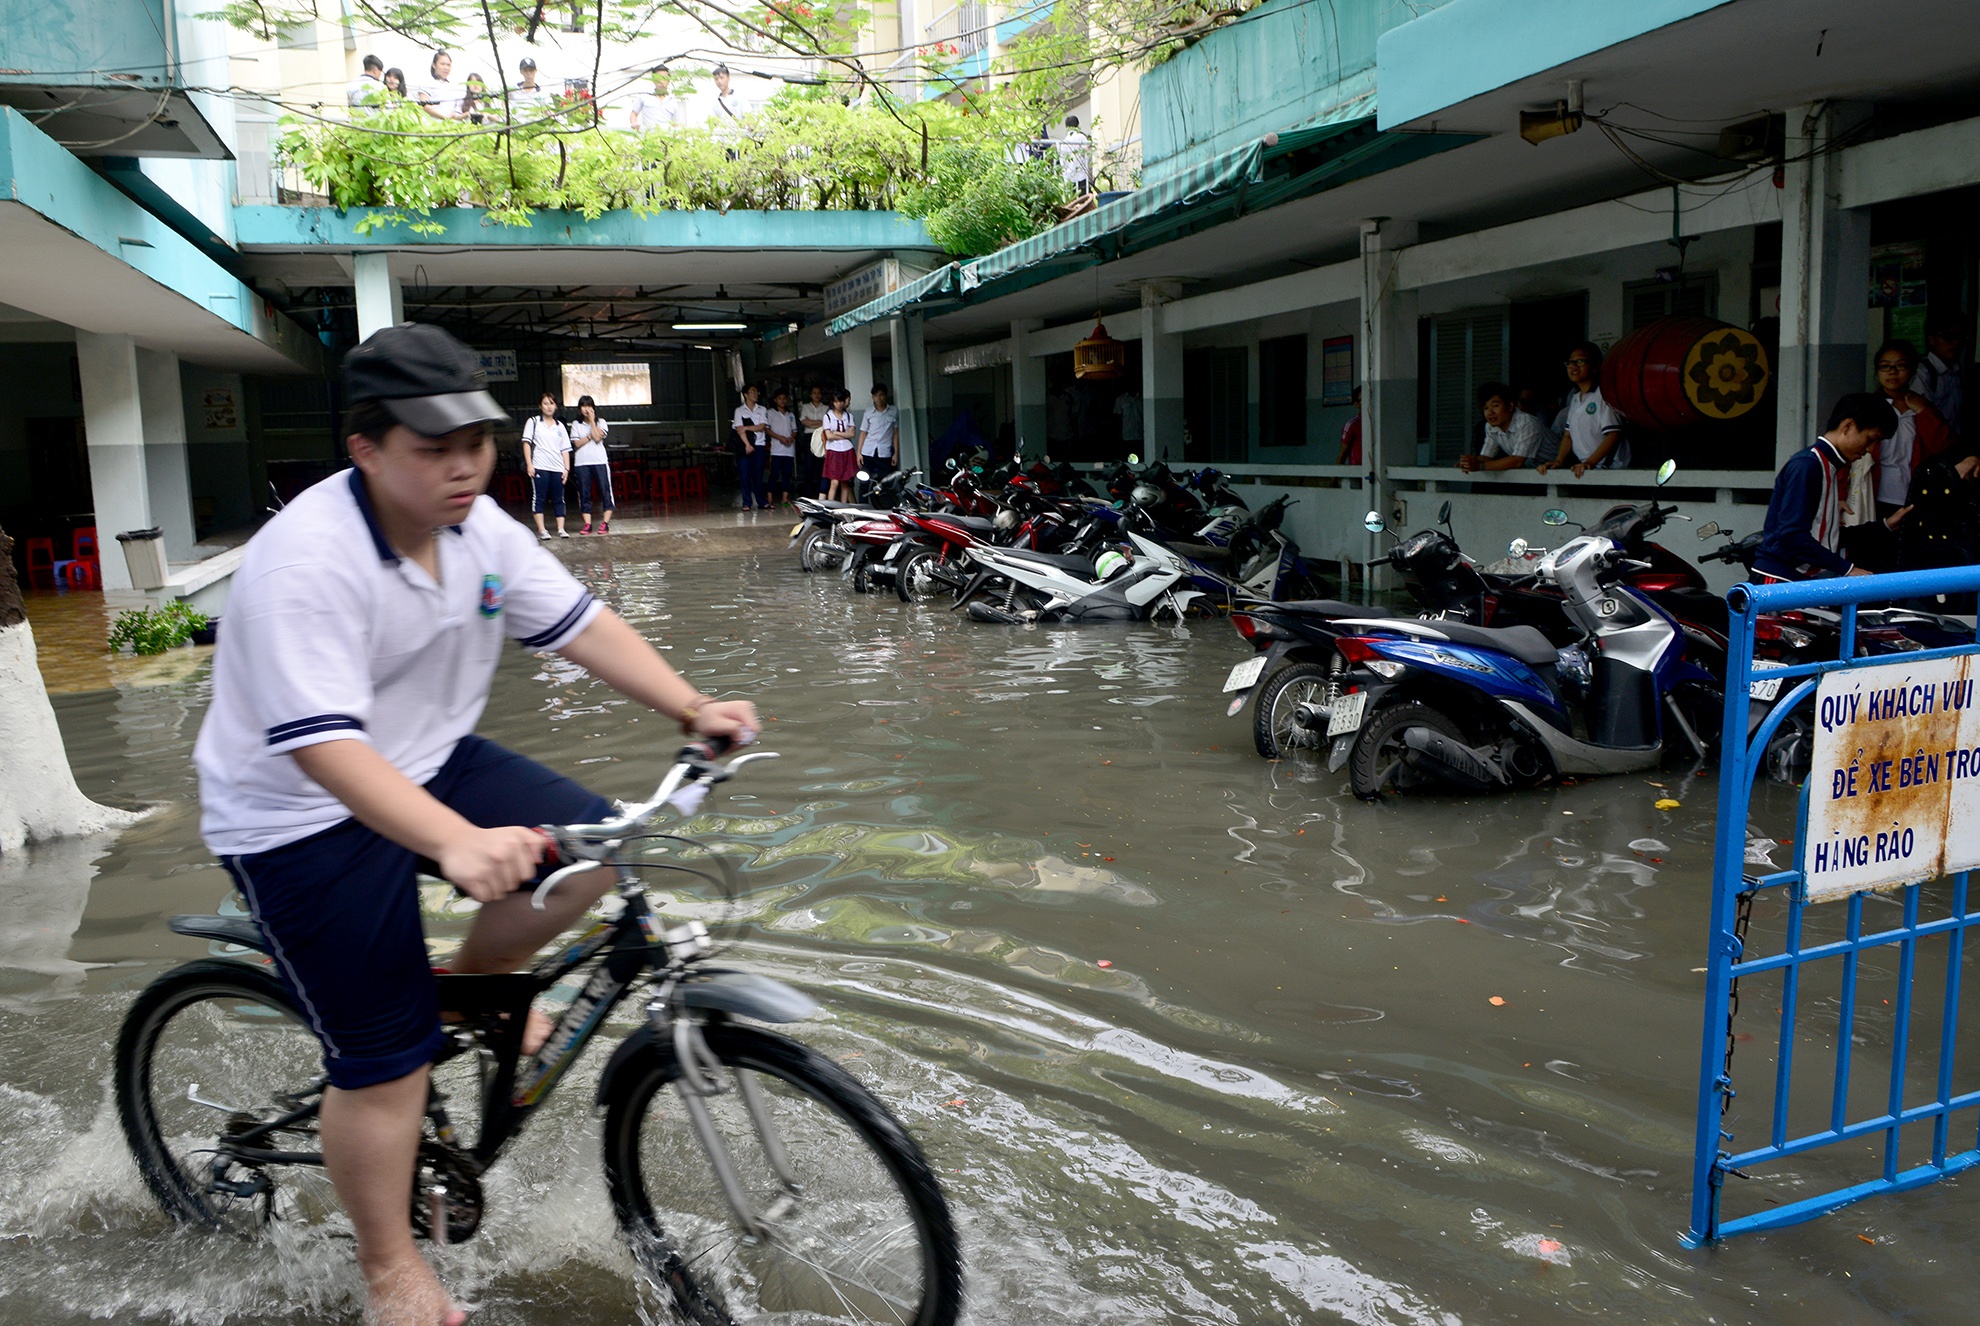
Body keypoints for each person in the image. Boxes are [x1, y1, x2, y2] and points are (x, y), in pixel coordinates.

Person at [192, 322, 759, 1326]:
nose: (463, 469)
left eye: (477, 445)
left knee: (593, 858)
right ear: (364, 450)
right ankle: (390, 1271)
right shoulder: (304, 563)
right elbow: (324, 748)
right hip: (295, 812)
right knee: (384, 1058)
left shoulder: (481, 533)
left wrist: (689, 707)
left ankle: (476, 989)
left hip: (429, 755)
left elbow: (579, 624)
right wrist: (453, 842)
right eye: (433, 449)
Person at [1755, 393, 1907, 580]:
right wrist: (1847, 568)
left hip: (1794, 579)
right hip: (1778, 581)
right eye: (1870, 439)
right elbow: (1792, 536)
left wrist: (1884, 526)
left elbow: (1826, 536)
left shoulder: (1828, 466)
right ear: (1848, 426)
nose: (1870, 449)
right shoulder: (1808, 465)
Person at [1870, 339, 1956, 522]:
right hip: (1875, 495)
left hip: (1916, 495)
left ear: (1912, 371)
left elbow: (1943, 447)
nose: (1893, 372)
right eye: (1885, 366)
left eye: (1900, 365)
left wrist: (1922, 411)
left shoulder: (1923, 407)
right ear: (1877, 372)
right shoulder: (1867, 408)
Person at [1535, 341, 1629, 476]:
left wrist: (1590, 462)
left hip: (1609, 468)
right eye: (1570, 362)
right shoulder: (1576, 398)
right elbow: (1568, 436)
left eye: (1580, 361)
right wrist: (1559, 461)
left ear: (1595, 367)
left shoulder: (1603, 395)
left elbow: (1613, 434)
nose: (1573, 366)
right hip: (1587, 468)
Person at [1459, 382, 1545, 472]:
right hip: (1538, 471)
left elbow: (1517, 461)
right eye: (1486, 408)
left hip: (1556, 468)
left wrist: (1480, 466)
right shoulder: (1490, 427)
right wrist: (1469, 463)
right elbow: (1486, 456)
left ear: (1510, 406)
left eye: (1496, 406)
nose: (1490, 412)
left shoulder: (1526, 422)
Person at [522, 392, 571, 539]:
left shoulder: (560, 426)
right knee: (539, 497)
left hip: (557, 467)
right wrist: (529, 464)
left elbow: (565, 449)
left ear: (556, 406)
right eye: (545, 403)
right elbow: (526, 443)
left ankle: (561, 528)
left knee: (559, 498)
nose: (549, 407)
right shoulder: (533, 422)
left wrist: (567, 468)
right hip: (540, 466)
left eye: (551, 403)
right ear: (540, 406)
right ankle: (542, 530)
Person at [568, 396, 613, 535]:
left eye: (589, 406)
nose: (586, 409)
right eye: (583, 406)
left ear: (593, 407)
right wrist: (590, 436)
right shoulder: (576, 424)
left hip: (599, 461)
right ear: (579, 409)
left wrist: (593, 422)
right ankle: (587, 524)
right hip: (582, 463)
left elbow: (598, 438)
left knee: (605, 491)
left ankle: (605, 523)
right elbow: (576, 444)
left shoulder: (602, 422)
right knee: (584, 493)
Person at [1910, 318, 1965, 435]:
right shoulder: (1922, 372)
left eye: (1960, 337)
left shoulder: (1956, 371)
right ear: (1932, 340)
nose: (1956, 342)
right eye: (1948, 337)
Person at [730, 384, 769, 510]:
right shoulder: (739, 411)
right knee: (745, 475)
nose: (755, 394)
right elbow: (738, 430)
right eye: (752, 392)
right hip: (745, 447)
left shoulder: (762, 409)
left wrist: (747, 427)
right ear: (745, 395)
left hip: (759, 445)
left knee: (758, 475)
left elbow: (762, 426)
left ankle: (762, 501)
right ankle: (746, 502)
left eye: (756, 392)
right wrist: (747, 445)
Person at [857, 384, 899, 497]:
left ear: (885, 396)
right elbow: (863, 433)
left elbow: (895, 433)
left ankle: (885, 507)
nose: (878, 398)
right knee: (864, 481)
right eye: (875, 395)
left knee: (885, 482)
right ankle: (863, 508)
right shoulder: (868, 412)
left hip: (884, 452)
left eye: (881, 395)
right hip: (868, 451)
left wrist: (895, 453)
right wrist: (859, 453)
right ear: (872, 397)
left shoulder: (893, 411)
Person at [821, 389, 859, 501]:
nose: (839, 404)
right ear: (832, 402)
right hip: (833, 450)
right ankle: (831, 507)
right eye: (836, 401)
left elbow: (852, 434)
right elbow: (829, 436)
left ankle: (844, 507)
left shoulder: (849, 416)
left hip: (847, 450)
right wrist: (845, 435)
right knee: (834, 481)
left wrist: (837, 433)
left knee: (845, 482)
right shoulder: (827, 417)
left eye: (841, 401)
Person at [764, 388, 797, 508]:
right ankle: (770, 498)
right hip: (776, 450)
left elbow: (794, 431)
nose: (782, 401)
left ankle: (785, 498)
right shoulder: (770, 413)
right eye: (780, 398)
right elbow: (767, 429)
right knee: (774, 473)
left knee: (787, 474)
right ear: (775, 400)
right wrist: (780, 437)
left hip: (789, 450)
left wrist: (791, 438)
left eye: (784, 398)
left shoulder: (790, 415)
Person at [630, 65, 685, 132]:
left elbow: (676, 125)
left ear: (669, 80)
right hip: (648, 137)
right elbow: (634, 113)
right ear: (653, 80)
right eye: (658, 78)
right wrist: (634, 123)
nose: (662, 82)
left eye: (664, 78)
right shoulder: (644, 96)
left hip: (666, 138)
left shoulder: (673, 101)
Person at [798, 384, 829, 496]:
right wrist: (820, 423)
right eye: (814, 393)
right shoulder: (806, 407)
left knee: (821, 466)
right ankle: (807, 494)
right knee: (809, 465)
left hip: (822, 438)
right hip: (809, 437)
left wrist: (811, 422)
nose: (817, 395)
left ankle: (820, 493)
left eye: (819, 393)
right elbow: (804, 422)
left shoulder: (825, 408)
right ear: (811, 395)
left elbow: (826, 424)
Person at [417, 51, 463, 120]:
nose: (446, 68)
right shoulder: (426, 83)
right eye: (442, 64)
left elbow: (457, 109)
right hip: (431, 126)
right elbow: (424, 105)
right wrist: (444, 117)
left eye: (448, 65)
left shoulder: (453, 86)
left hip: (451, 126)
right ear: (434, 65)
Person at [1056, 114, 1092, 193]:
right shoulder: (1081, 137)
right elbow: (1087, 150)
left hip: (1069, 175)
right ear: (1078, 125)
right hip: (1081, 173)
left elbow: (1062, 159)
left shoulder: (1064, 141)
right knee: (1086, 197)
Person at [1336, 386, 1362, 465]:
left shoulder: (1382, 423)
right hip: (1357, 473)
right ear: (1356, 404)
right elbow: (1343, 453)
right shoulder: (1352, 425)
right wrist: (1334, 477)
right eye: (1363, 399)